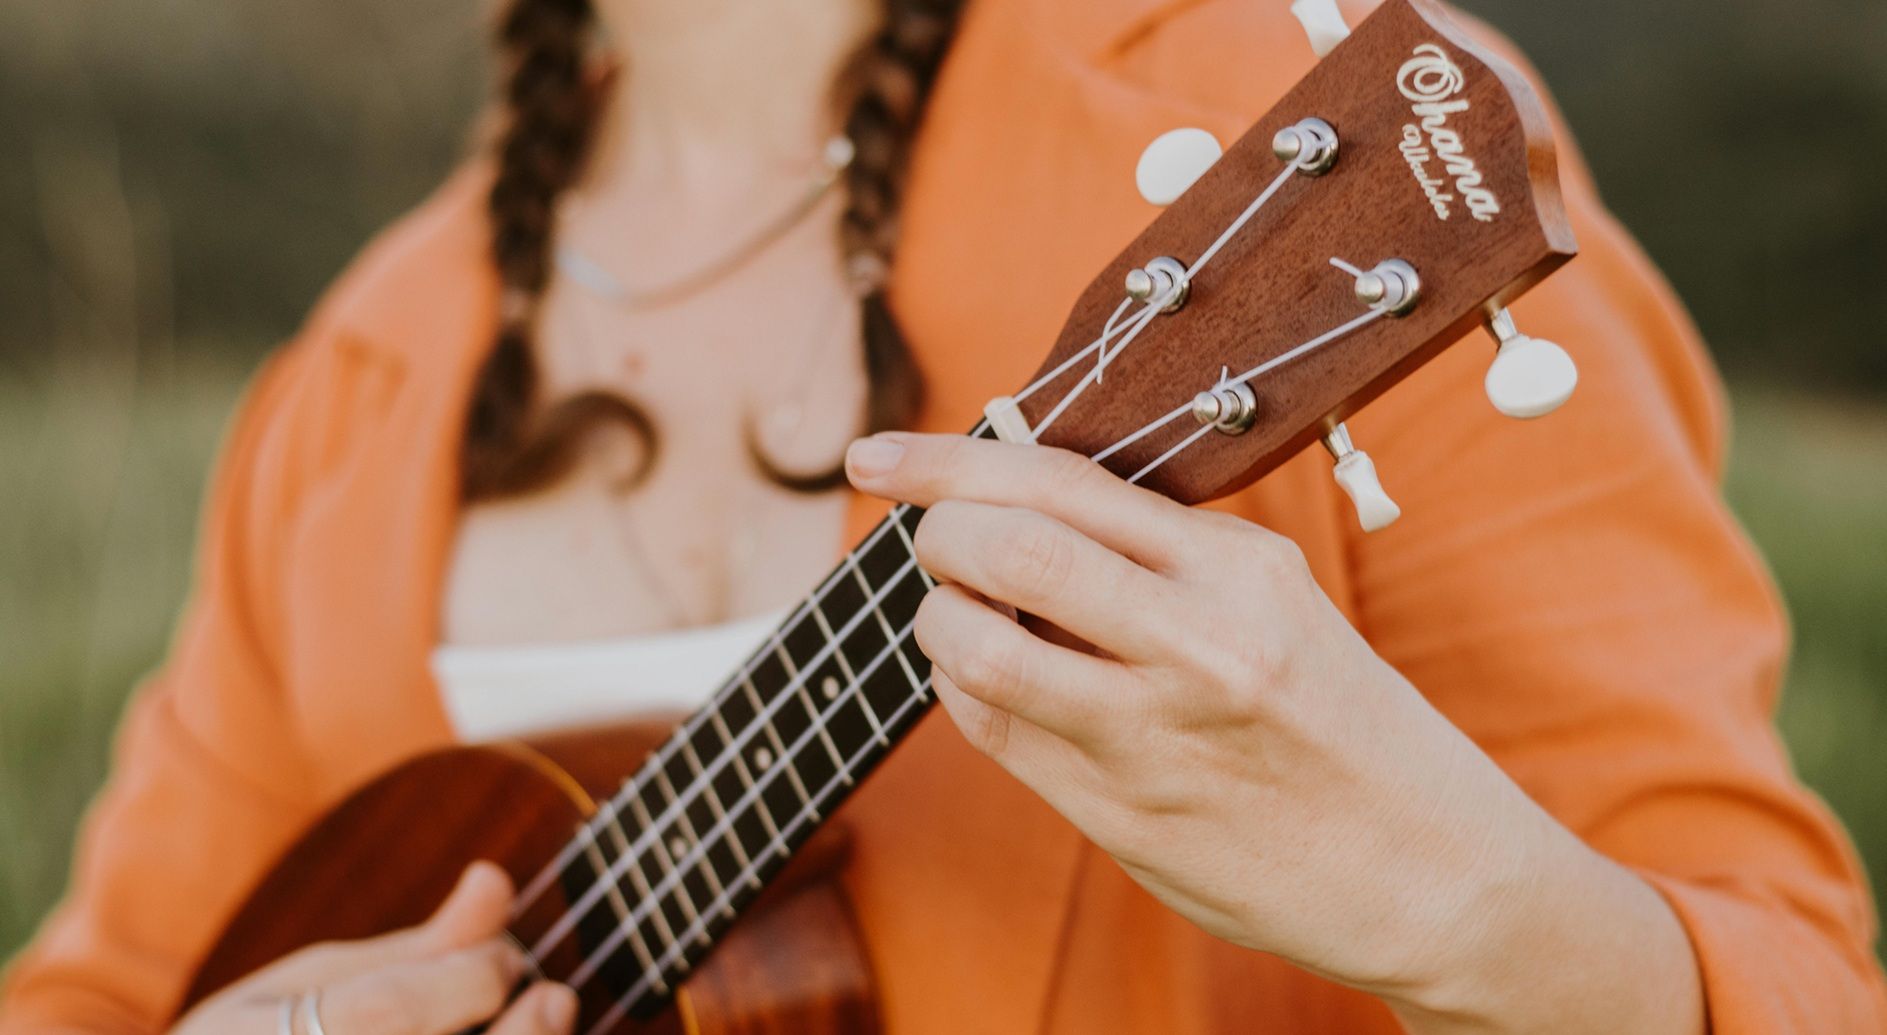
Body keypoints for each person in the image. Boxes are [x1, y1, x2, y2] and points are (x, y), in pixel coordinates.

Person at [3, 0, 1884, 1032]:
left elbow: (1791, 978)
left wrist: (1482, 920)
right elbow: (101, 991)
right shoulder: (360, 364)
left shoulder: (1285, 153)